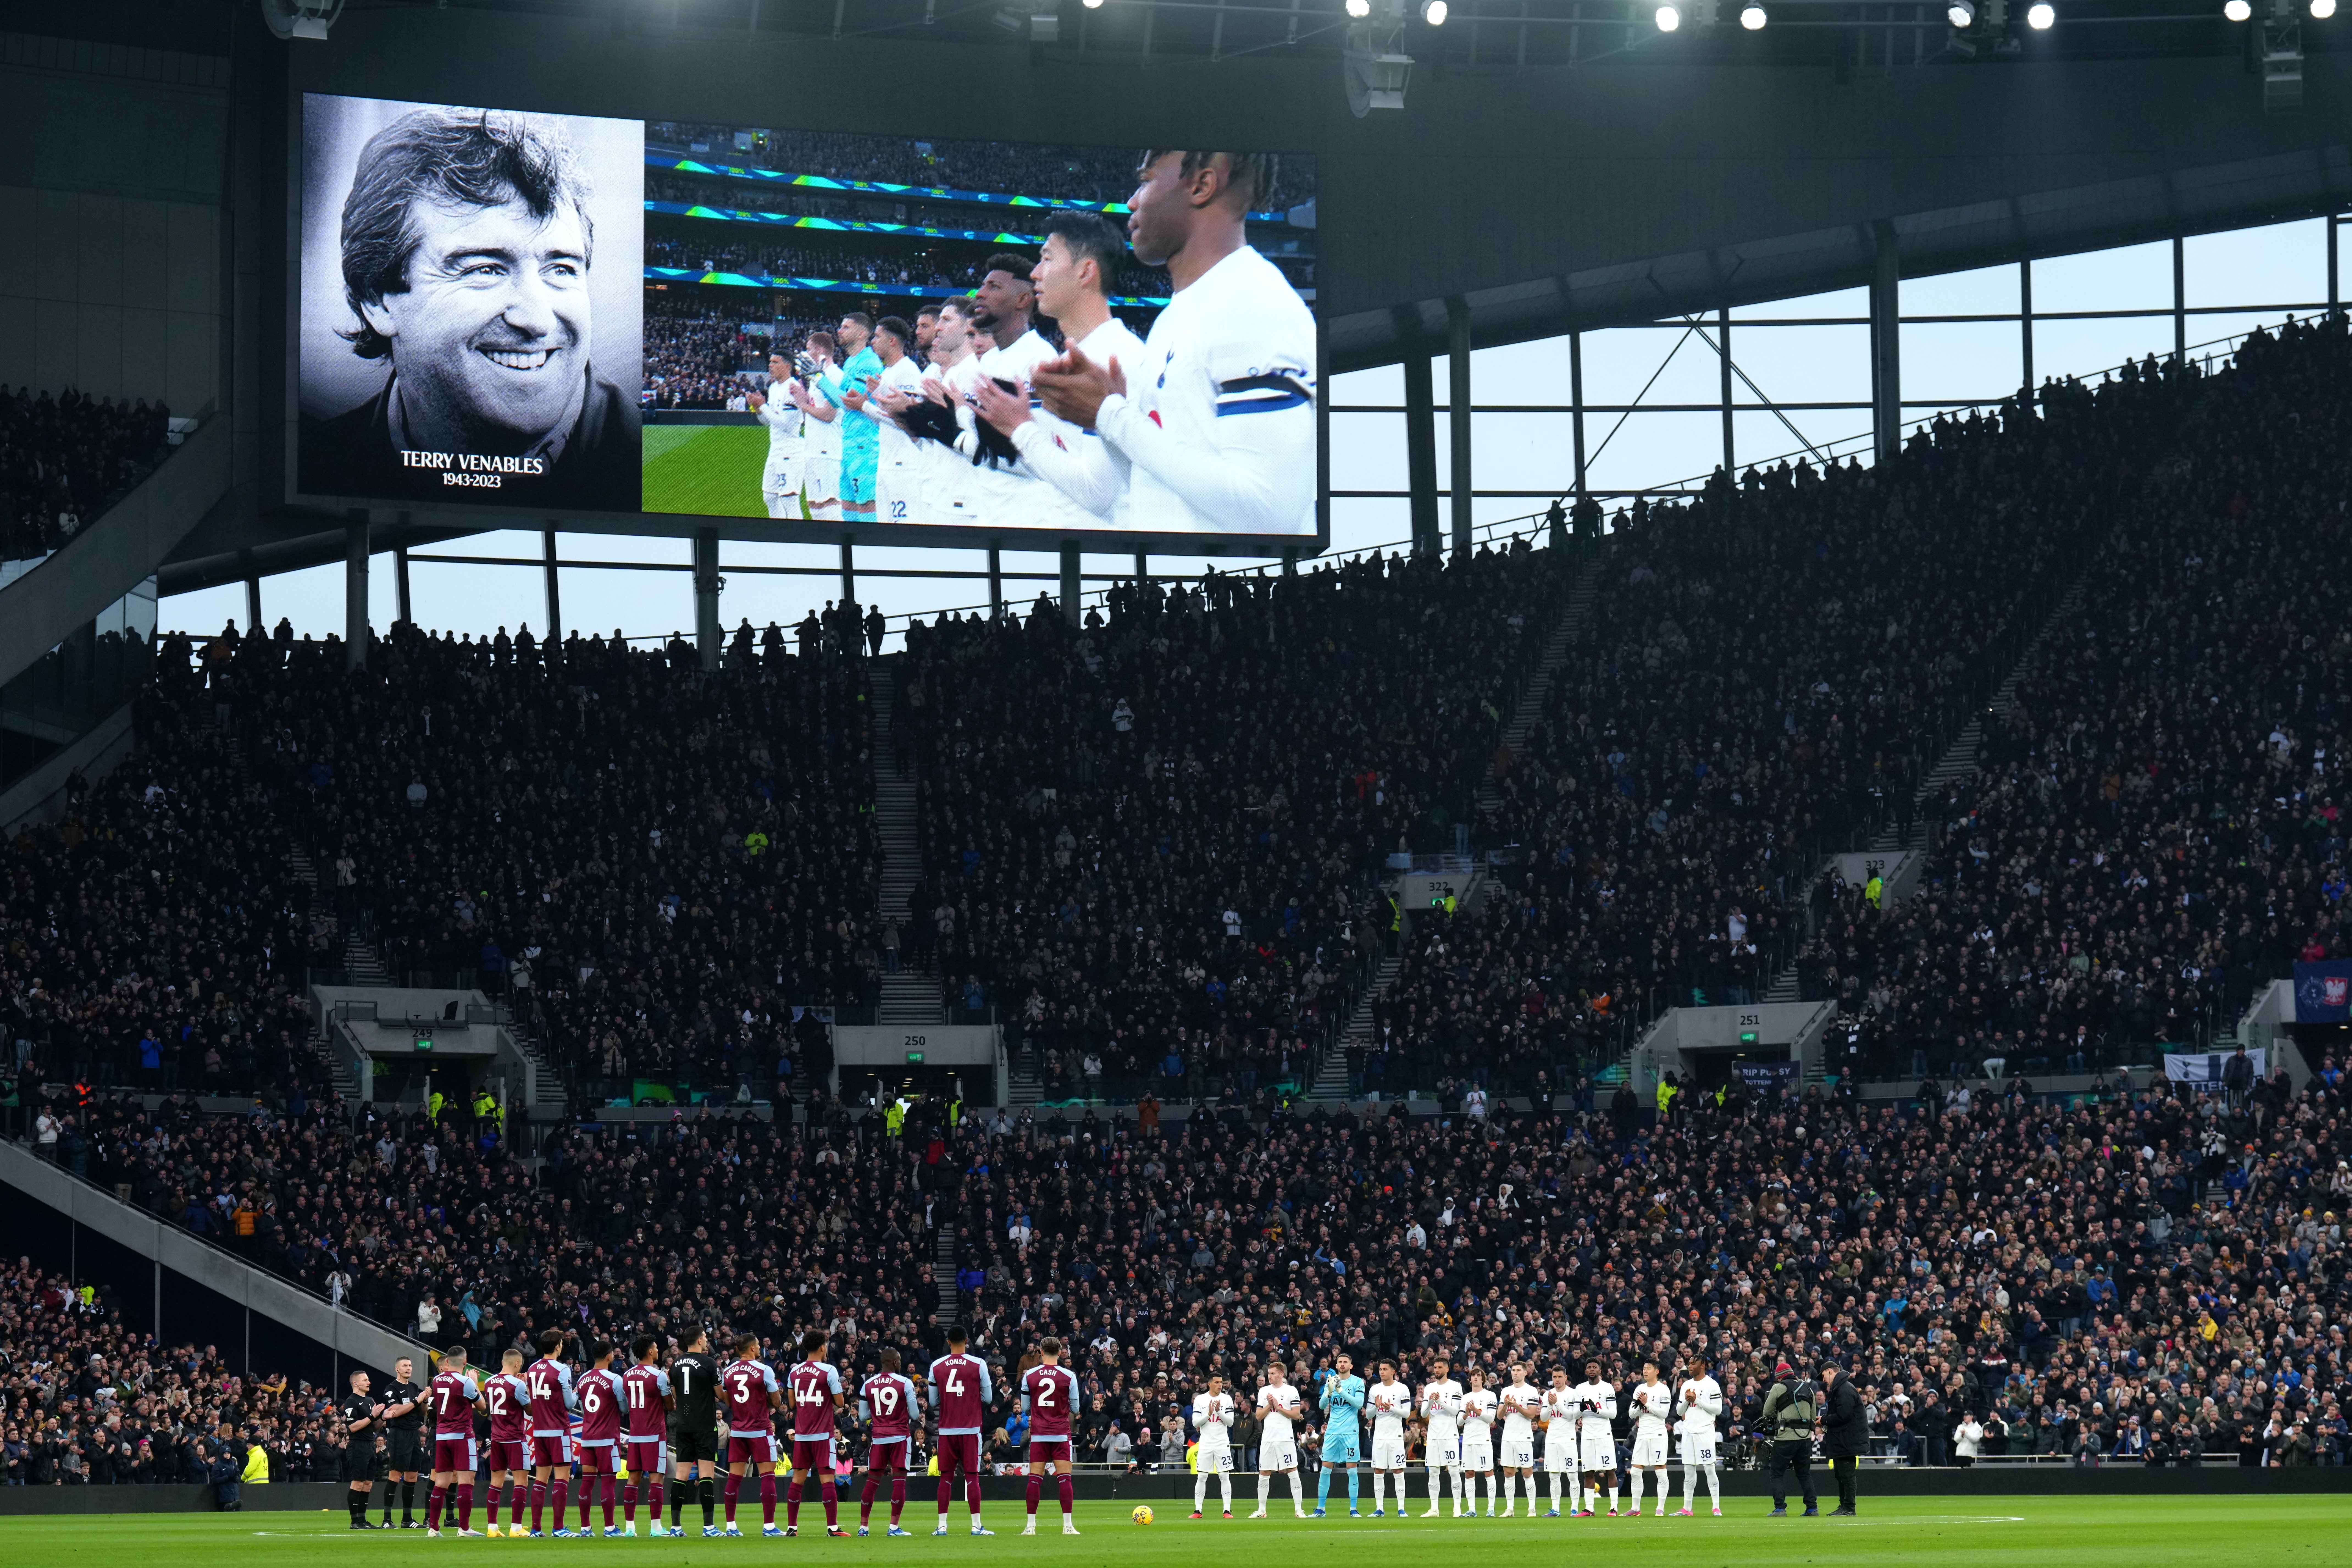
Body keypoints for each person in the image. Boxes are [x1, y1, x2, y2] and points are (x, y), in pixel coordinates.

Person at [301, 106, 639, 507]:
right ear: (378, 299)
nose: (535, 320)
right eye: (485, 270)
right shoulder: (314, 466)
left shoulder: (659, 469)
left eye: (561, 269)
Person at [1032, 150, 1314, 538]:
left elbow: (1267, 512)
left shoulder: (1253, 304)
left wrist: (1111, 415)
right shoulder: (1175, 315)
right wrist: (1104, 418)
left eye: (1146, 181)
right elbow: (1162, 484)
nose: (1131, 201)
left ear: (1201, 186)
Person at [975, 212, 1146, 526]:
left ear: (1085, 272)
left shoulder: (1114, 359)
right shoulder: (1077, 356)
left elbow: (1097, 493)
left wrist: (1020, 429)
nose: (1037, 273)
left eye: (1047, 259)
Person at [928, 1326, 994, 1535]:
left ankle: (941, 1526)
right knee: (972, 1477)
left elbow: (932, 1401)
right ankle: (976, 1526)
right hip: (971, 1429)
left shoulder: (936, 1366)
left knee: (945, 1477)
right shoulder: (979, 1364)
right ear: (967, 1341)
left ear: (948, 1342)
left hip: (947, 1431)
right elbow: (989, 1399)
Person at [717, 1331, 782, 1537]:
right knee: (768, 1476)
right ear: (753, 1348)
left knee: (734, 1479)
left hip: (738, 1431)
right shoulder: (764, 1370)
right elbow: (777, 1402)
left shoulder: (728, 1372)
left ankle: (730, 1527)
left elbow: (727, 1402)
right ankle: (769, 1527)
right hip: (760, 1430)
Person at [783, 1330, 847, 1537]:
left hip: (802, 1436)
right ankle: (832, 1528)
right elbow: (840, 1403)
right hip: (823, 1435)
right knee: (828, 1480)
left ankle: (792, 1528)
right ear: (822, 1347)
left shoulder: (795, 1372)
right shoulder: (829, 1371)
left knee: (797, 1482)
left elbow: (792, 1404)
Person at [1019, 1335, 1081, 1535]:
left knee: (1034, 1480)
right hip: (1061, 1433)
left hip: (1038, 1434)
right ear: (1061, 1352)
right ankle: (1068, 1526)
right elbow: (1076, 1407)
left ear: (1041, 1352)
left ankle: (1030, 1527)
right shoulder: (1069, 1376)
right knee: (1064, 1479)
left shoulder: (1029, 1375)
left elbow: (1026, 1407)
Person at [524, 1329, 579, 1537]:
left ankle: (536, 1529)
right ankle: (558, 1528)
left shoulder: (532, 1368)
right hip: (558, 1430)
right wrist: (577, 1394)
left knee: (540, 1479)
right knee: (562, 1479)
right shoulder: (562, 1370)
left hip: (540, 1432)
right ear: (558, 1347)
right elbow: (569, 1404)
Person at [857, 1348, 918, 1536]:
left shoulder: (868, 1384)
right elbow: (915, 1415)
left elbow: (862, 1416)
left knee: (872, 1483)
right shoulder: (905, 1383)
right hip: (899, 1437)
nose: (901, 1363)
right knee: (899, 1483)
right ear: (894, 1362)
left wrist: (878, 1414)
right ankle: (893, 1527)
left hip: (878, 1438)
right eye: (899, 1360)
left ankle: (863, 1527)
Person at [424, 1345, 482, 1537]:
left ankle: (433, 1528)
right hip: (462, 1436)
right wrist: (474, 1383)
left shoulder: (437, 1381)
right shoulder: (466, 1382)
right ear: (465, 1363)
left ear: (447, 1362)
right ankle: (464, 1529)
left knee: (441, 1483)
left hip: (441, 1437)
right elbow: (482, 1408)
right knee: (467, 1482)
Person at [668, 1328, 721, 1537]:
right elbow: (720, 1394)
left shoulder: (676, 1365)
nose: (707, 1341)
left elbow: (675, 1395)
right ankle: (709, 1527)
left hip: (684, 1426)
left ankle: (675, 1527)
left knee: (681, 1476)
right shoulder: (709, 1363)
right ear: (699, 1341)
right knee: (706, 1475)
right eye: (706, 1338)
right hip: (705, 1425)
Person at [572, 1341, 626, 1536]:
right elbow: (624, 1409)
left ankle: (585, 1528)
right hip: (607, 1439)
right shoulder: (615, 1379)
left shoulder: (582, 1379)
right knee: (608, 1483)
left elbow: (579, 1404)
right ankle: (610, 1528)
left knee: (587, 1483)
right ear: (610, 1356)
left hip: (587, 1439)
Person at [620, 1336, 672, 1536]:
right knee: (656, 1481)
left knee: (632, 1481)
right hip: (654, 1436)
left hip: (635, 1436)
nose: (658, 1350)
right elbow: (670, 1406)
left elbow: (625, 1407)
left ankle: (629, 1528)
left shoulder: (627, 1376)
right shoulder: (658, 1375)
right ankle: (656, 1528)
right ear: (650, 1352)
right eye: (657, 1347)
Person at [750, 351, 807, 519]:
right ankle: (779, 534)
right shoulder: (774, 387)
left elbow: (785, 425)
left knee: (789, 499)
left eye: (775, 362)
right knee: (770, 497)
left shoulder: (793, 388)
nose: (770, 366)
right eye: (770, 362)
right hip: (775, 450)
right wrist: (758, 408)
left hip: (790, 450)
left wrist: (764, 406)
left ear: (788, 366)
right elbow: (769, 422)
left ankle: (798, 539)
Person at [481, 1346, 530, 1537]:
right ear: (517, 1364)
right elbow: (530, 1411)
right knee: (521, 1482)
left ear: (503, 1362)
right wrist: (526, 1388)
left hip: (497, 1438)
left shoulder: (489, 1382)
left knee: (496, 1483)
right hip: (515, 1439)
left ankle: (492, 1527)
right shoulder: (517, 1385)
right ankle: (516, 1528)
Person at [1759, 1361, 1819, 1517]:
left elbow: (1767, 1411)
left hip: (1785, 1437)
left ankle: (1780, 1508)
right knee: (1804, 1474)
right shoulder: (1808, 1388)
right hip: (1805, 1438)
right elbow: (1813, 1417)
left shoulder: (1779, 1387)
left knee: (1777, 1473)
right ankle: (1812, 1508)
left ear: (1780, 1378)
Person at [1251, 1362, 1307, 1519]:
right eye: (1269, 1373)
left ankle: (1299, 1510)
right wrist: (1270, 1406)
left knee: (1292, 1471)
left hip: (1285, 1438)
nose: (1270, 1376)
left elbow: (1297, 1415)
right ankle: (1262, 1511)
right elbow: (1258, 1416)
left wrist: (1278, 1406)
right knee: (1264, 1473)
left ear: (1282, 1375)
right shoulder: (1264, 1391)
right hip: (1268, 1438)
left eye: (1273, 1374)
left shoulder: (1291, 1391)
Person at [1314, 1352, 1366, 1517]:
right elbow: (1322, 1406)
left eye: (1346, 1362)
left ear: (1351, 1366)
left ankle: (1354, 1509)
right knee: (1325, 1470)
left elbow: (1359, 1404)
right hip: (1332, 1432)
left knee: (1352, 1471)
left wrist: (1341, 1391)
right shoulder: (1331, 1381)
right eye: (1340, 1362)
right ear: (1336, 1366)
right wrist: (1329, 1392)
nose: (1342, 1364)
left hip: (1350, 1433)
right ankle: (1321, 1509)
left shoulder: (1358, 1382)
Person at [379, 1354, 428, 1528]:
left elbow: (422, 1413)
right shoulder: (391, 1389)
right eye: (405, 1366)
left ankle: (407, 1519)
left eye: (410, 1366)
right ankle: (387, 1520)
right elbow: (397, 1411)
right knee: (395, 1474)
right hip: (399, 1434)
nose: (409, 1368)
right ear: (397, 1369)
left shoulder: (414, 1387)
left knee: (413, 1475)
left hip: (414, 1434)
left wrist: (425, 1400)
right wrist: (417, 1400)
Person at [337, 1367, 387, 1530]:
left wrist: (383, 1419)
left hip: (370, 1445)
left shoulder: (370, 1400)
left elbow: (373, 1428)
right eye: (365, 1380)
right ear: (356, 1384)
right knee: (358, 1483)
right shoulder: (351, 1401)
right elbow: (353, 1426)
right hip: (357, 1445)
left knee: (368, 1484)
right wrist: (372, 1416)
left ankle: (363, 1520)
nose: (369, 1382)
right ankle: (355, 1522)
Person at [1675, 1359, 1725, 1517]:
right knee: (1689, 1471)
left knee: (1710, 1469)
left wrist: (1696, 1400)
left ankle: (1716, 1507)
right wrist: (1687, 1400)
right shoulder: (1686, 1385)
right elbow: (1679, 1411)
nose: (1689, 1366)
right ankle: (1687, 1509)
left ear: (1702, 1366)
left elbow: (1718, 1410)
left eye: (1693, 1364)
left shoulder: (1712, 1385)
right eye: (1689, 1364)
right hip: (1689, 1432)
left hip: (1705, 1432)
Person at [1419, 1355, 1467, 1518]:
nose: (1437, 1370)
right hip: (1433, 1436)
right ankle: (1434, 1509)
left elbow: (1455, 1412)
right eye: (1435, 1368)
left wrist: (1440, 1401)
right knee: (1433, 1471)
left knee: (1454, 1471)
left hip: (1450, 1435)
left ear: (1447, 1369)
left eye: (1440, 1368)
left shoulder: (1456, 1387)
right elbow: (1424, 1413)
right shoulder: (1429, 1388)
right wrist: (1432, 1402)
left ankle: (1457, 1508)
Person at [1625, 1360, 1674, 1517]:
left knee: (1660, 1471)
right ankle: (1635, 1508)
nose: (1645, 1371)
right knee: (1635, 1472)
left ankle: (1660, 1508)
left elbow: (1664, 1414)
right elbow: (1632, 1414)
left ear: (1657, 1372)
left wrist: (1647, 1404)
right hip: (1642, 1435)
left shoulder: (1663, 1390)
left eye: (1648, 1369)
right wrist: (1640, 1404)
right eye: (1644, 1368)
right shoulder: (1639, 1389)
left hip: (1658, 1434)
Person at [1570, 1359, 1618, 1517]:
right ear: (1586, 1371)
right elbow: (1574, 1415)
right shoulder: (1580, 1388)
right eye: (1589, 1367)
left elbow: (1613, 1414)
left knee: (1610, 1471)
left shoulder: (1607, 1388)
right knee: (1588, 1472)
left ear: (1600, 1371)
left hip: (1604, 1434)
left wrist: (1596, 1410)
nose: (1592, 1370)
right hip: (1587, 1435)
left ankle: (1614, 1508)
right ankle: (1590, 1509)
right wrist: (1581, 1410)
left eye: (1595, 1367)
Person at [1363, 1361, 1411, 1517]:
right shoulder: (1375, 1389)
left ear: (1393, 1372)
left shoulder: (1402, 1389)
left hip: (1396, 1436)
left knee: (1398, 1470)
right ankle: (1380, 1509)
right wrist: (1377, 1407)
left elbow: (1407, 1413)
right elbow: (1369, 1415)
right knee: (1378, 1471)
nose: (1382, 1372)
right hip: (1379, 1437)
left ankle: (1401, 1508)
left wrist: (1391, 1408)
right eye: (1380, 1370)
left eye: (1385, 1370)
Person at [1820, 1364, 1868, 1516]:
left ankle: (1849, 1508)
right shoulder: (1842, 1388)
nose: (1825, 1380)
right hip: (1844, 1439)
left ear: (1830, 1372)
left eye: (1824, 1376)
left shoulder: (1844, 1389)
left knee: (1847, 1474)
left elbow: (1844, 1415)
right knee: (1841, 1473)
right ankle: (1845, 1507)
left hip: (1848, 1440)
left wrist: (1824, 1420)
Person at [1496, 1362, 1542, 1518]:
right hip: (1508, 1437)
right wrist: (1506, 1406)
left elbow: (1531, 1415)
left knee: (1527, 1472)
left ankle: (1532, 1509)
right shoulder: (1506, 1391)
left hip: (1524, 1437)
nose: (1515, 1373)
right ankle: (1510, 1509)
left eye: (1518, 1371)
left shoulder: (1531, 1391)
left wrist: (1515, 1405)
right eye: (1513, 1371)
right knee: (1508, 1473)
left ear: (1525, 1373)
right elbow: (1499, 1416)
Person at [1190, 1370, 1237, 1519]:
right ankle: (1198, 1511)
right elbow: (1195, 1423)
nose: (1220, 1385)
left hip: (1222, 1444)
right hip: (1205, 1444)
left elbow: (1230, 1423)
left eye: (1222, 1383)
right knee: (1202, 1477)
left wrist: (1219, 1411)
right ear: (1209, 1384)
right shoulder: (1200, 1400)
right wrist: (1209, 1413)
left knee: (1224, 1476)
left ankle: (1227, 1511)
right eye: (1217, 1383)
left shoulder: (1227, 1399)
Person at [1458, 1365, 1497, 1518]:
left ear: (1483, 1379)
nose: (1475, 1378)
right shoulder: (1465, 1398)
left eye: (1478, 1375)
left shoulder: (1490, 1396)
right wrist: (1467, 1414)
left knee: (1488, 1472)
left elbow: (1491, 1419)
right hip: (1468, 1440)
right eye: (1473, 1375)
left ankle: (1491, 1508)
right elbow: (1459, 1422)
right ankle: (1472, 1509)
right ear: (1470, 1379)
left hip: (1483, 1439)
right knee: (1469, 1473)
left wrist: (1476, 1410)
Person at [1539, 1368, 1578, 1517]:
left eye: (1560, 1377)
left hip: (1568, 1439)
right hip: (1552, 1439)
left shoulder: (1573, 1394)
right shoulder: (1547, 1395)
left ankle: (1574, 1508)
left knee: (1572, 1475)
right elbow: (1543, 1418)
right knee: (1554, 1475)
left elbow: (1572, 1416)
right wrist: (1550, 1405)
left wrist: (1558, 1404)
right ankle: (1555, 1509)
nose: (1557, 1380)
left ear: (1566, 1378)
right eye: (1555, 1377)